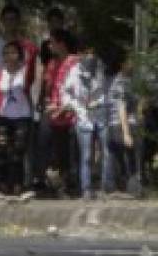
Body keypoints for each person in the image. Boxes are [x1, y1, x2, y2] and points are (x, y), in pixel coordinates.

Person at [62, 42, 109, 199]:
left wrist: (99, 102)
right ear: (80, 55)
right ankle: (86, 188)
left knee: (105, 153)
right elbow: (66, 94)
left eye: (92, 53)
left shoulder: (101, 69)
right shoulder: (74, 72)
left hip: (100, 115)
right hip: (83, 116)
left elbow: (106, 92)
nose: (90, 57)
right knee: (87, 155)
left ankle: (105, 187)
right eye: (86, 53)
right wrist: (75, 106)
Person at [0, 40, 34, 198]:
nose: (9, 56)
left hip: (22, 117)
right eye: (6, 53)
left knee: (17, 152)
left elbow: (33, 52)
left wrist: (20, 39)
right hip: (3, 117)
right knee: (1, 151)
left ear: (19, 55)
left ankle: (17, 186)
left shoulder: (25, 72)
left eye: (13, 52)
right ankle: (2, 187)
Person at [42, 29, 79, 195]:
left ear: (61, 44)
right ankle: (61, 186)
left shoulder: (75, 62)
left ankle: (72, 185)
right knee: (59, 152)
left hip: (71, 114)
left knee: (71, 152)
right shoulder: (53, 63)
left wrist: (63, 107)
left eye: (52, 42)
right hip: (56, 115)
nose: (50, 46)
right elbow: (51, 88)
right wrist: (49, 103)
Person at [106, 50, 143, 198]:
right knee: (132, 154)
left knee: (117, 156)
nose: (133, 65)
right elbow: (121, 109)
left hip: (117, 124)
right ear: (122, 64)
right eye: (130, 61)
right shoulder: (120, 83)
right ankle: (132, 188)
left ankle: (115, 187)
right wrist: (126, 133)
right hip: (121, 124)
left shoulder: (126, 81)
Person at [0, 4, 40, 87]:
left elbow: (31, 70)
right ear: (2, 21)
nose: (10, 22)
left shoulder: (26, 45)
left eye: (13, 19)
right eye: (6, 19)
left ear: (18, 20)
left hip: (19, 90)